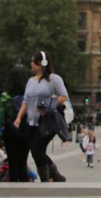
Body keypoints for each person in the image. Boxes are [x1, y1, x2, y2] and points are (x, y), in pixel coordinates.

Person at [13, 50, 69, 183]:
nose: (31, 64)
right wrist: (19, 117)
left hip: (46, 121)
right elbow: (26, 101)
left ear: (42, 63)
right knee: (38, 150)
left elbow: (63, 96)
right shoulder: (31, 81)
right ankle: (55, 175)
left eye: (34, 61)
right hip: (31, 121)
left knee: (36, 150)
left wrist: (48, 104)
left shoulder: (53, 79)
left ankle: (45, 179)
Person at [1, 63, 30, 182]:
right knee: (23, 161)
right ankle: (24, 183)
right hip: (25, 129)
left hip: (9, 130)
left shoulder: (5, 96)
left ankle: (13, 184)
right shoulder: (28, 96)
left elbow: (1, 115)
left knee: (12, 161)